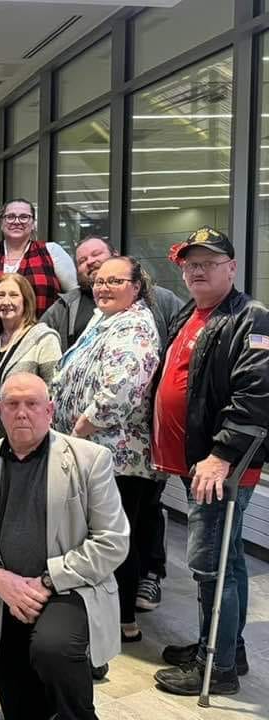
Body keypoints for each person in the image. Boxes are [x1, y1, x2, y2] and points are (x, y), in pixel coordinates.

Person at [0, 372, 128, 720]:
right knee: (19, 705)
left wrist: (46, 581)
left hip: (69, 588)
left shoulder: (90, 460)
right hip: (3, 591)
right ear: (0, 411)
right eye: (12, 404)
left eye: (31, 404)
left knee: (53, 648)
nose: (21, 413)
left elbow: (113, 541)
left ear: (49, 410)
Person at [151, 227, 269, 696]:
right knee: (229, 558)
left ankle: (214, 667)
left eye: (208, 262)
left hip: (222, 466)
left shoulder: (252, 318)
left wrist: (221, 455)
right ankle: (224, 647)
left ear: (232, 268)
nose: (197, 270)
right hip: (196, 462)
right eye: (190, 263)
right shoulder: (193, 313)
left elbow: (257, 395)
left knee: (209, 562)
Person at [50, 256, 161, 645]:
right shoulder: (106, 317)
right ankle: (105, 616)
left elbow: (120, 393)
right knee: (97, 539)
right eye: (99, 281)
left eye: (115, 281)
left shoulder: (135, 327)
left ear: (137, 286)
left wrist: (79, 429)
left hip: (115, 456)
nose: (103, 288)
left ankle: (122, 623)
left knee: (112, 544)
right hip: (91, 451)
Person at [40, 236, 184, 352]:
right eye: (82, 261)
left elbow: (187, 334)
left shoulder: (159, 298)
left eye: (96, 254)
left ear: (115, 255)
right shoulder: (64, 307)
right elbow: (37, 339)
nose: (90, 261)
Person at [0, 274, 61, 446]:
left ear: (26, 300)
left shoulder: (44, 338)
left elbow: (55, 393)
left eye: (13, 295)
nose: (6, 301)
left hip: (28, 440)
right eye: (0, 295)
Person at [0, 200, 77, 316]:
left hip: (41, 330)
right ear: (1, 223)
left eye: (24, 217)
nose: (17, 222)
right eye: (10, 217)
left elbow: (74, 295)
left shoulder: (52, 251)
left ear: (33, 223)